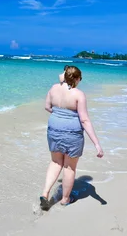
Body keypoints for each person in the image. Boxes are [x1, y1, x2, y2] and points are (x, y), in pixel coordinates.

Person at [40, 66, 104, 211]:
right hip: (72, 133)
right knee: (69, 167)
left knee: (56, 162)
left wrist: (59, 114)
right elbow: (85, 120)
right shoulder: (78, 94)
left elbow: (47, 107)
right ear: (76, 78)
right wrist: (97, 144)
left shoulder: (54, 88)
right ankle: (65, 199)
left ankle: (45, 193)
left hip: (54, 129)